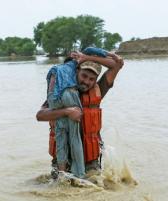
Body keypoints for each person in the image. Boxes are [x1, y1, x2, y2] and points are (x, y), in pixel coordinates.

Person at [36, 49, 124, 178]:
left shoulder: (100, 89)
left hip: (90, 160)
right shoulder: (62, 91)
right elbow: (40, 115)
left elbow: (118, 64)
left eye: (91, 79)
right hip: (62, 159)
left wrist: (86, 57)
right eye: (84, 76)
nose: (87, 82)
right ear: (77, 71)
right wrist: (66, 111)